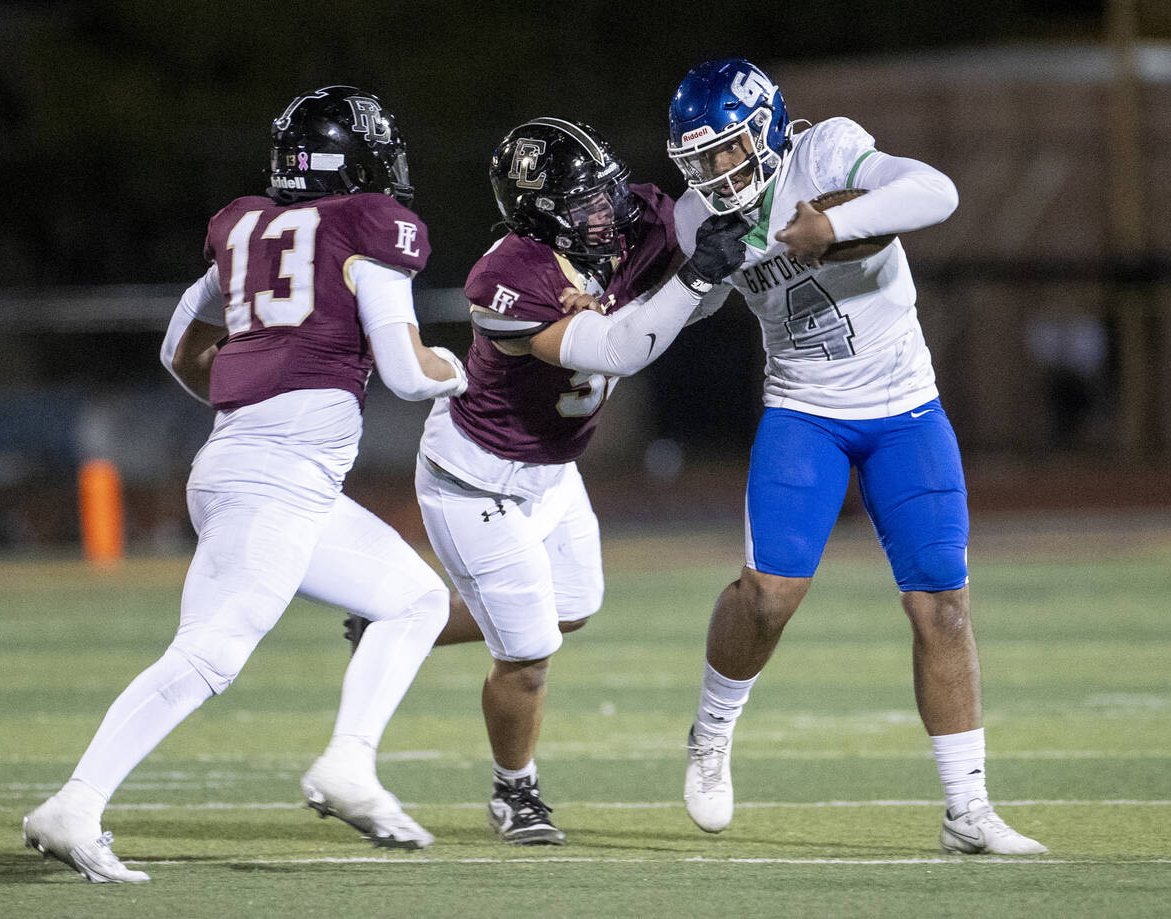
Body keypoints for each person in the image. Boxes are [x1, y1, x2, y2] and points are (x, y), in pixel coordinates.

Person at [22, 85, 468, 883]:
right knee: (211, 652)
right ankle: (75, 803)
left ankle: (348, 764)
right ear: (355, 161)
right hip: (276, 476)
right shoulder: (372, 227)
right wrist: (451, 369)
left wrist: (250, 401)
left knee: (413, 598)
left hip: (255, 464)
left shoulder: (247, 226)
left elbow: (176, 349)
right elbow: (405, 372)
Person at [666, 58, 1047, 855]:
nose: (712, 172)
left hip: (906, 408)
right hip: (805, 410)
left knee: (941, 605)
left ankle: (966, 809)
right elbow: (687, 312)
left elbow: (937, 192)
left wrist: (830, 227)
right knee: (768, 596)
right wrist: (682, 283)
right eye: (698, 160)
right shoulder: (695, 214)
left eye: (727, 151)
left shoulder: (827, 152)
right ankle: (710, 731)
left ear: (766, 128)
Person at [412, 117, 747, 844]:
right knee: (529, 654)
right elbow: (617, 350)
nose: (611, 210)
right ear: (539, 216)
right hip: (478, 477)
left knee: (572, 607)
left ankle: (399, 617)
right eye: (588, 201)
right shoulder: (510, 276)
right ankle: (514, 791)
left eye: (609, 190)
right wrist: (693, 277)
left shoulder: (632, 224)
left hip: (554, 469)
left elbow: (713, 214)